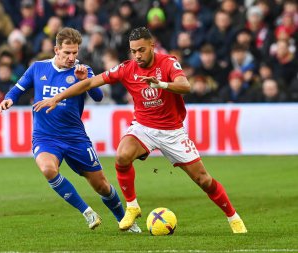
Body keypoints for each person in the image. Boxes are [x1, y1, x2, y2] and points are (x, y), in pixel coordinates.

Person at [33, 27, 248, 234]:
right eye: (133, 50)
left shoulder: (168, 63)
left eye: (141, 50)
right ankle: (132, 206)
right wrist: (56, 98)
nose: (137, 55)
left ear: (152, 46)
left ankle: (233, 217)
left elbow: (185, 86)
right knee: (122, 156)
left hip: (172, 132)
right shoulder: (126, 68)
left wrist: (161, 84)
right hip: (143, 128)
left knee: (204, 180)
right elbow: (90, 83)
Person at [0, 27, 141, 232]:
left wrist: (85, 81)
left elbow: (99, 97)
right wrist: (8, 99)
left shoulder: (83, 70)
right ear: (56, 49)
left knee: (101, 185)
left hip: (75, 138)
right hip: (45, 137)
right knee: (48, 169)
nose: (72, 57)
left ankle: (125, 220)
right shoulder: (38, 68)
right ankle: (87, 212)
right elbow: (18, 89)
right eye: (67, 53)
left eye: (75, 52)